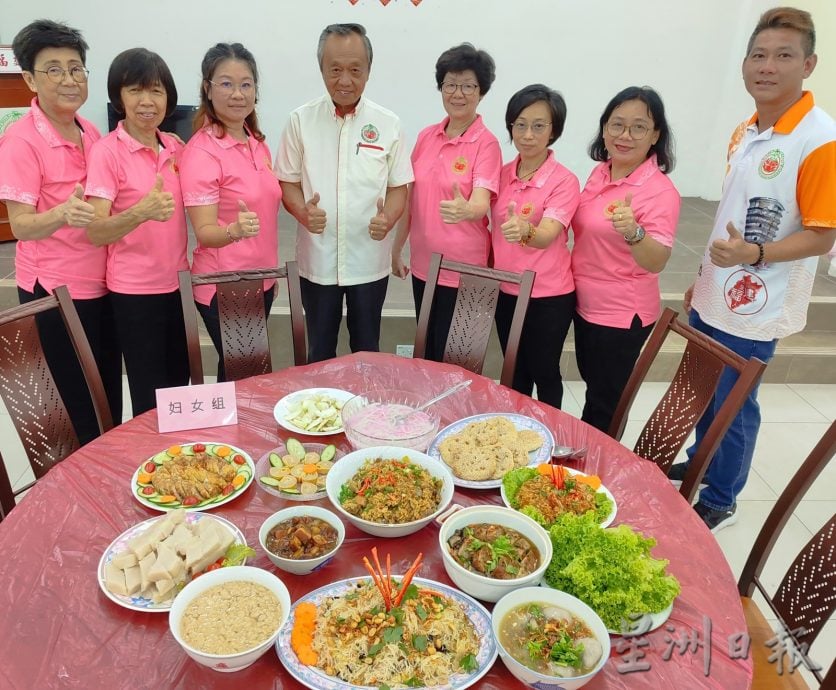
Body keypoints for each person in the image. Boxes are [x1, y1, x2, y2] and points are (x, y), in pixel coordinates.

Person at [669, 7, 836, 532]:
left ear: (808, 64)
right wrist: (705, 277)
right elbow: (731, 212)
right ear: (745, 65)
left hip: (761, 299)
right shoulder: (746, 129)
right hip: (721, 285)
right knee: (704, 386)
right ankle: (701, 462)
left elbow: (823, 233)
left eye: (783, 56)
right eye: (759, 55)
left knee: (735, 402)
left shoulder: (819, 139)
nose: (768, 67)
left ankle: (721, 496)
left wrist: (755, 257)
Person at [0, 19, 121, 443]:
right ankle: (81, 489)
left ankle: (109, 471)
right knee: (74, 401)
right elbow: (20, 225)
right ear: (30, 79)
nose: (68, 79)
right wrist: (61, 214)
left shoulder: (89, 130)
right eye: (54, 70)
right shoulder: (21, 141)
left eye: (75, 68)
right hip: (55, 291)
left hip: (101, 281)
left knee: (106, 387)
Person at [276, 23, 412, 363]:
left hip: (369, 261)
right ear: (321, 68)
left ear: (368, 71)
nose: (345, 80)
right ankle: (322, 414)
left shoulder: (388, 123)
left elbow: (399, 187)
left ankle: (363, 414)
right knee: (319, 351)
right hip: (318, 260)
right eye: (335, 70)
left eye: (355, 70)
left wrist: (389, 218)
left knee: (367, 351)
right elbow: (288, 182)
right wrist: (302, 212)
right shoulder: (300, 120)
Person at [84, 48, 189, 416]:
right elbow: (95, 231)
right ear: (118, 97)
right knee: (149, 394)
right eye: (135, 90)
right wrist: (140, 212)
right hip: (134, 292)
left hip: (179, 285)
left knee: (181, 384)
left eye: (156, 91)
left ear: (168, 98)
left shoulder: (175, 147)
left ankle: (185, 468)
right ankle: (152, 468)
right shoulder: (106, 152)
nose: (147, 101)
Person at [570, 86, 680, 432]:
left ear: (655, 135)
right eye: (616, 125)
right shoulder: (600, 173)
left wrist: (634, 232)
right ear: (604, 129)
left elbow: (656, 260)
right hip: (585, 303)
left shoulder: (660, 192)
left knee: (605, 405)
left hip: (621, 313)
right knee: (594, 387)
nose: (625, 136)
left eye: (638, 127)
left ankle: (597, 475)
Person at [391, 43, 501, 361]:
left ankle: (456, 413)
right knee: (427, 350)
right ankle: (429, 412)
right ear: (441, 87)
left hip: (464, 271)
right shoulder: (427, 136)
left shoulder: (486, 144)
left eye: (469, 85)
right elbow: (411, 198)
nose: (458, 93)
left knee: (456, 359)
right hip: (425, 266)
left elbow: (481, 201)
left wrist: (467, 209)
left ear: (481, 92)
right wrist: (398, 249)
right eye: (450, 84)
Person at [179, 43, 281, 381]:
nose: (237, 93)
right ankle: (227, 432)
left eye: (246, 84)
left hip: (259, 282)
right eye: (226, 83)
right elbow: (205, 231)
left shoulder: (257, 142)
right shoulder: (202, 152)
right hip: (225, 286)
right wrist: (234, 231)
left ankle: (231, 432)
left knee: (242, 371)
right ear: (207, 89)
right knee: (242, 370)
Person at [490, 84, 580, 409]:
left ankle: (550, 437)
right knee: (515, 370)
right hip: (507, 289)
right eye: (520, 124)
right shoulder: (500, 174)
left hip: (548, 295)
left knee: (544, 370)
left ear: (553, 130)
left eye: (539, 125)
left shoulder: (564, 181)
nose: (528, 134)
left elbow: (547, 234)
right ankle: (518, 434)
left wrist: (526, 229)